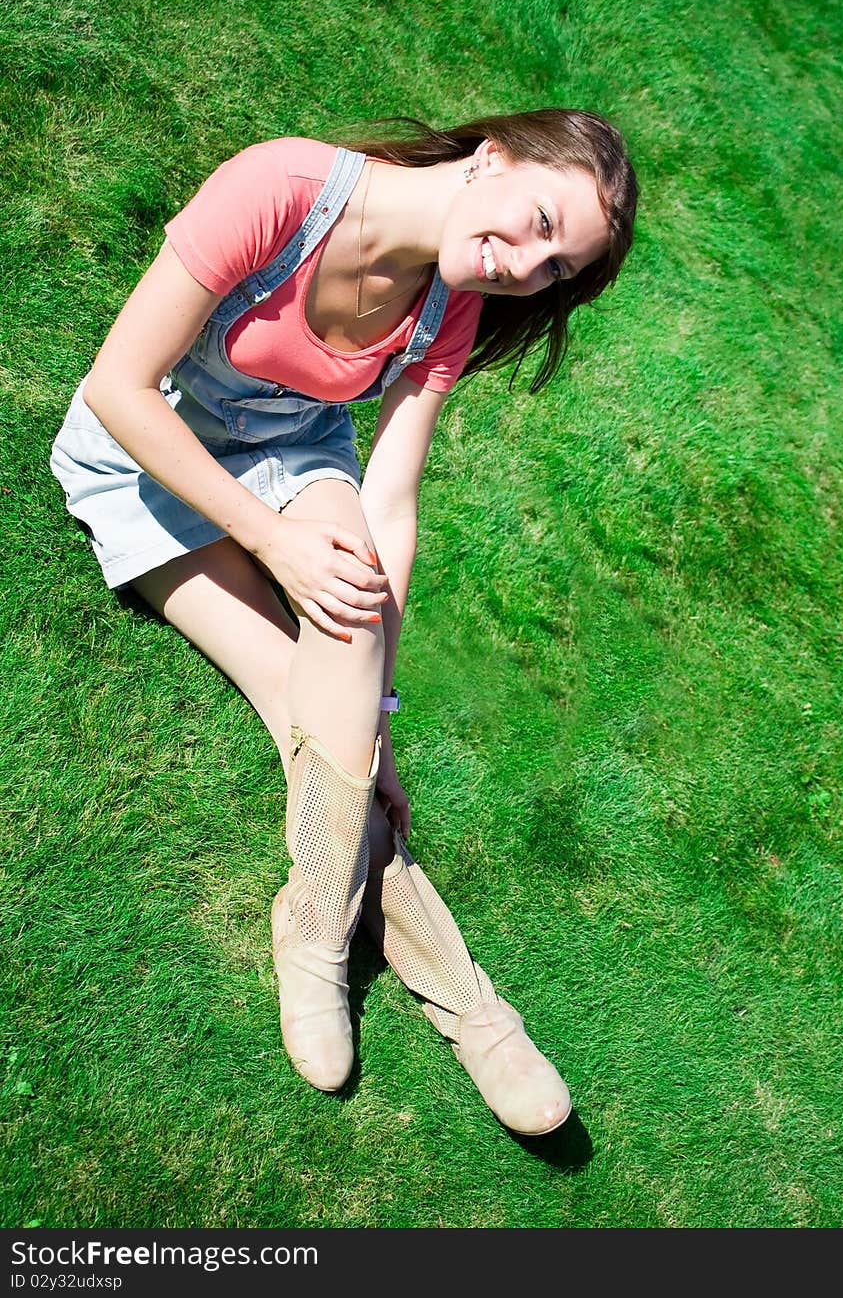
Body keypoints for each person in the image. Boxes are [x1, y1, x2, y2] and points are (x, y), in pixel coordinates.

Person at [50, 109, 638, 1136]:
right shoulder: (281, 186)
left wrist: (377, 714)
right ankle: (472, 1008)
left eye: (554, 270)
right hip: (142, 461)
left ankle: (315, 927)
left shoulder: (447, 302)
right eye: (539, 222)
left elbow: (391, 504)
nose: (526, 265)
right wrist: (270, 545)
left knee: (339, 698)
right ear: (491, 159)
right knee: (295, 704)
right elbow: (117, 387)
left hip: (287, 453)